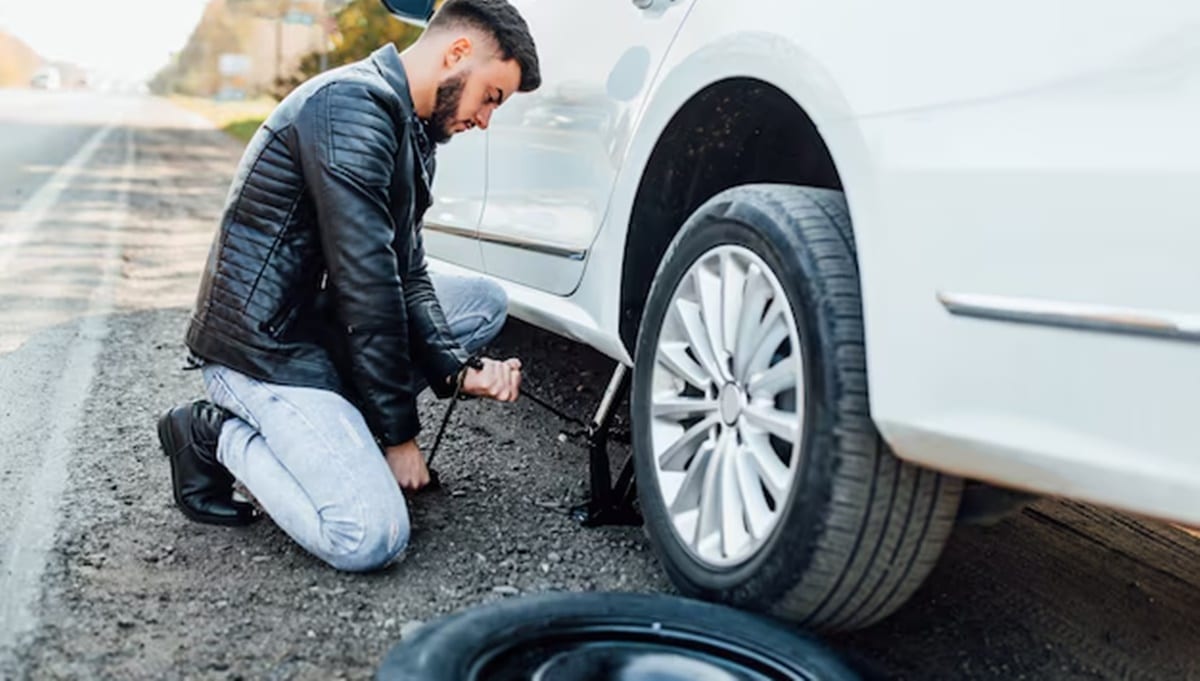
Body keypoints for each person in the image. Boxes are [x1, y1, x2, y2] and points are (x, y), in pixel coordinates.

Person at [156, 0, 540, 573]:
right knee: (369, 535)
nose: (486, 119)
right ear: (457, 53)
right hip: (264, 351)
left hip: (318, 323)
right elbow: (369, 286)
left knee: (483, 302)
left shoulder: (411, 127)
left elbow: (406, 273)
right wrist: (398, 438)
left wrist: (457, 368)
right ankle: (212, 434)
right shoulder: (350, 108)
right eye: (491, 96)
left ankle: (340, 431)